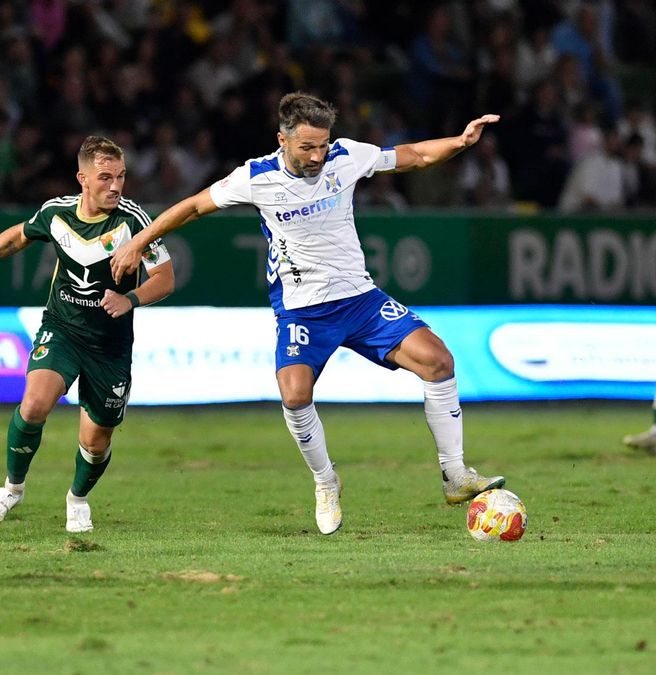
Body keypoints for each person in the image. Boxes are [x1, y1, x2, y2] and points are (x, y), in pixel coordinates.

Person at [111, 92, 506, 535]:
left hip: (360, 299)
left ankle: (455, 474)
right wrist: (138, 242)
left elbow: (411, 156)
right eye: (307, 147)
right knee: (295, 394)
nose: (318, 155)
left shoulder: (346, 156)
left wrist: (460, 141)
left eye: (323, 145)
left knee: (438, 360)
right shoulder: (255, 177)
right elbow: (194, 206)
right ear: (282, 140)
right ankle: (325, 481)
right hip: (303, 310)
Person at [0, 136, 174, 533]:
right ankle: (12, 489)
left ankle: (77, 499)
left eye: (121, 176)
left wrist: (131, 299)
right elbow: (18, 236)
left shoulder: (134, 221)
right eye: (105, 177)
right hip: (63, 328)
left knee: (96, 440)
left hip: (110, 345)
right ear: (82, 179)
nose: (116, 186)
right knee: (34, 405)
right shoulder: (57, 213)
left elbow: (165, 278)